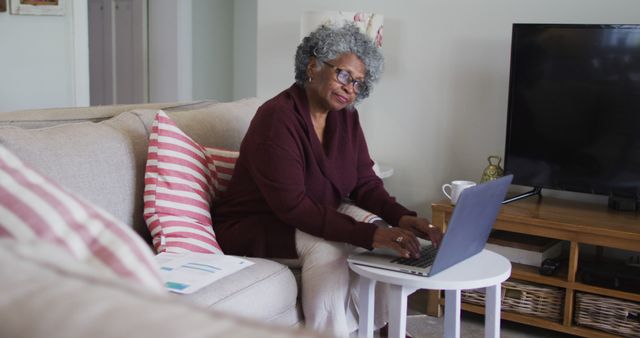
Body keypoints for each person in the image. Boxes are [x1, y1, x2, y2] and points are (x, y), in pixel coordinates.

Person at [213, 23, 442, 338]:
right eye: (344, 75)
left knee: (378, 227)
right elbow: (292, 207)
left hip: (307, 214)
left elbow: (364, 182)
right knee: (330, 247)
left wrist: (402, 217)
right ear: (313, 66)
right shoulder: (277, 118)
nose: (350, 88)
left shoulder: (346, 117)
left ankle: (377, 330)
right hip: (253, 224)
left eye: (358, 83)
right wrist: (371, 237)